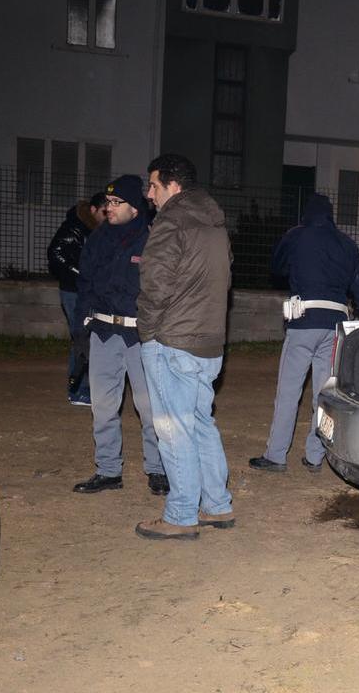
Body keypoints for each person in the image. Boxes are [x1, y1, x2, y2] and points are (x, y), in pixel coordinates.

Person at [135, 154, 233, 540]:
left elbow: (155, 283)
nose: (149, 194)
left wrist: (148, 332)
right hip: (209, 342)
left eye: (153, 185)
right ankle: (217, 504)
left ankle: (181, 514)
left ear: (173, 185)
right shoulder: (215, 224)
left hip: (173, 341)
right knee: (200, 423)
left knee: (173, 429)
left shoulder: (171, 220)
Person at [249, 193, 359, 473]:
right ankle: (315, 457)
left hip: (303, 324)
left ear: (306, 214)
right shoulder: (347, 243)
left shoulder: (296, 235)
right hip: (335, 326)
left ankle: (276, 455)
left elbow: (277, 267)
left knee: (288, 392)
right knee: (323, 394)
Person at [71, 176, 168, 496]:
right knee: (102, 407)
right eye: (108, 203)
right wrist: (80, 331)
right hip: (103, 333)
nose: (108, 208)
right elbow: (84, 287)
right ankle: (108, 470)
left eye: (116, 203)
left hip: (140, 336)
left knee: (150, 408)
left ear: (135, 208)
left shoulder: (152, 240)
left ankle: (157, 469)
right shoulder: (98, 239)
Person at [48, 192, 106, 406]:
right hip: (74, 291)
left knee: (89, 338)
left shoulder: (95, 229)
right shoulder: (74, 227)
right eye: (104, 211)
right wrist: (80, 274)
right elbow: (55, 254)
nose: (108, 214)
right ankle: (78, 390)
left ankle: (84, 387)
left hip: (88, 291)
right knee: (82, 338)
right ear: (93, 210)